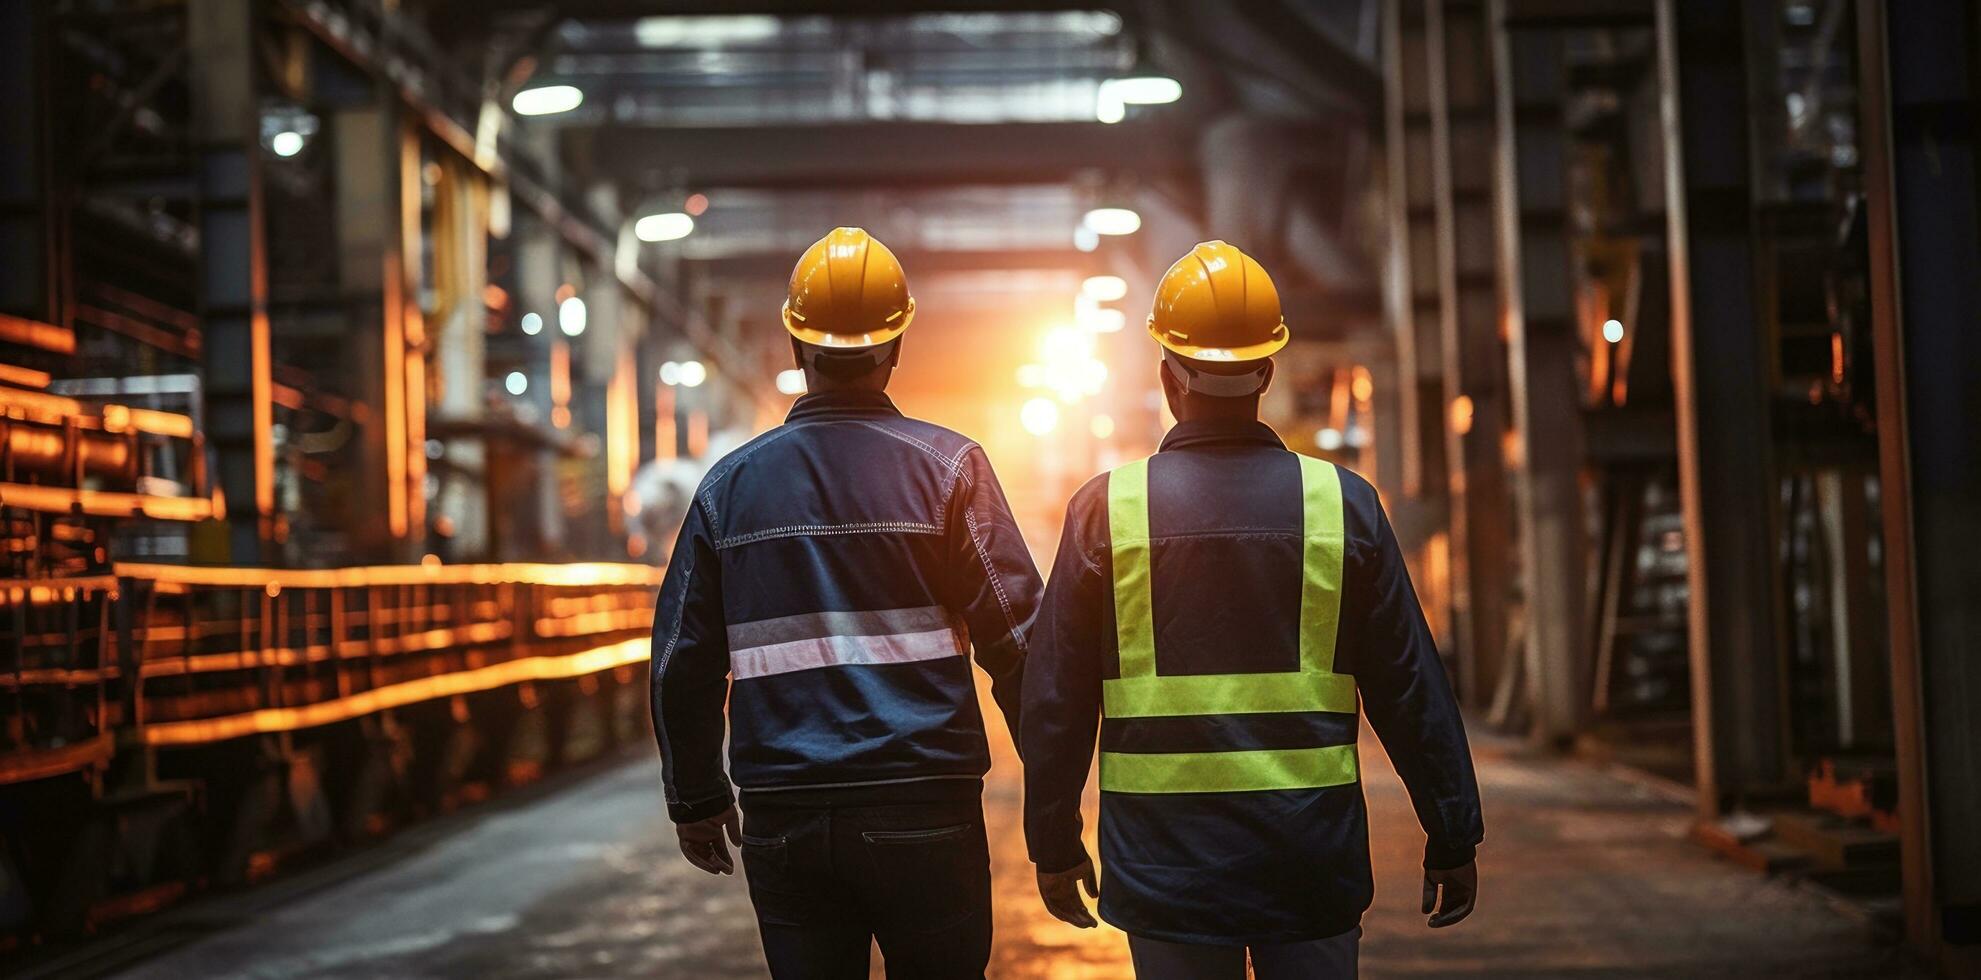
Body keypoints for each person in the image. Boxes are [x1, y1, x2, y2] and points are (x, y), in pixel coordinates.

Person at [1020, 241, 1484, 979]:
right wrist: (1451, 833)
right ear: (1267, 371)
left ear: (1168, 375)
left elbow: (1053, 701)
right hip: (1308, 861)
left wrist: (1052, 841)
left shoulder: (1107, 510)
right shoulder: (1343, 504)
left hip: (1164, 864)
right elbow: (1410, 687)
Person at [650, 227, 1041, 979]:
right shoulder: (950, 469)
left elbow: (681, 660)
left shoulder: (728, 489)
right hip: (924, 807)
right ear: (895, 347)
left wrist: (695, 797)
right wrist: (1051, 798)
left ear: (797, 349)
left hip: (784, 814)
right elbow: (1019, 643)